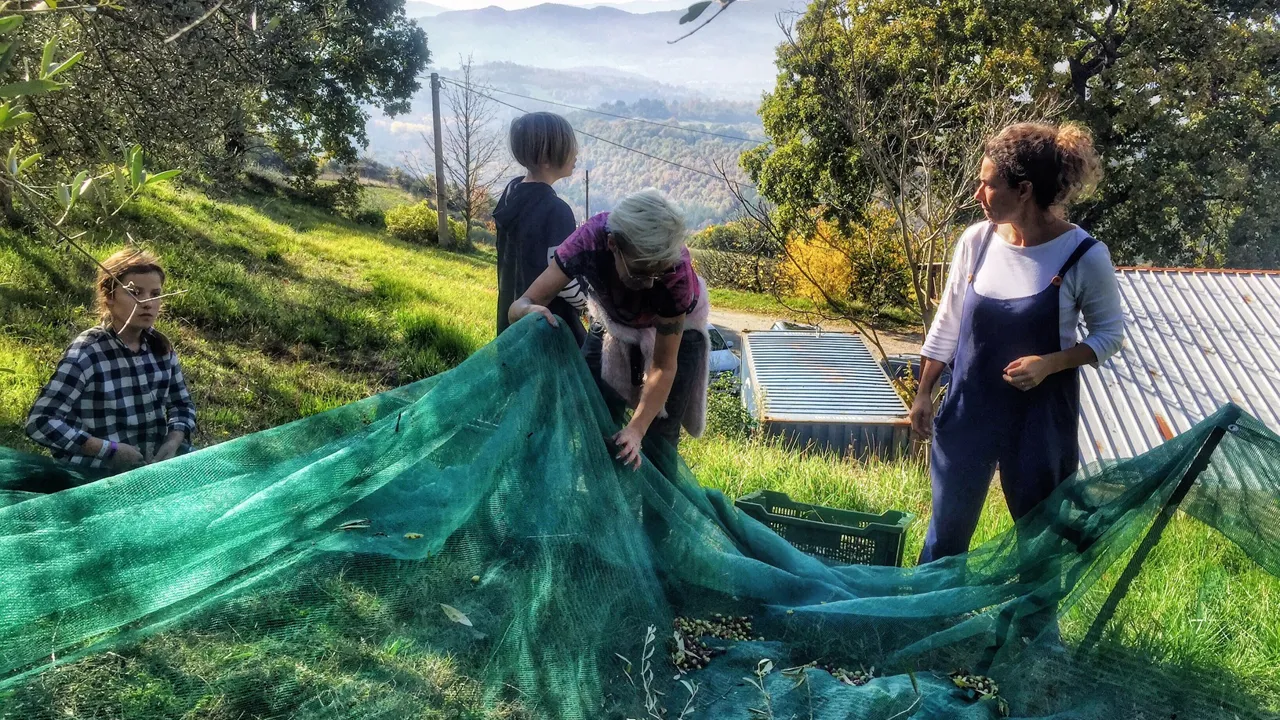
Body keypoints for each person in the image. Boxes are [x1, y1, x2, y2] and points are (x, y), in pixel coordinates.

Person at [909, 122, 1125, 564]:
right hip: (969, 411)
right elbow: (948, 320)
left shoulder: (1083, 256)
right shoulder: (977, 241)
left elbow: (1110, 336)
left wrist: (1050, 363)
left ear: (1023, 190)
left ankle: (1035, 632)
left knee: (1038, 543)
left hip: (1039, 423)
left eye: (988, 184)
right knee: (945, 537)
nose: (977, 195)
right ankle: (930, 621)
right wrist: (924, 392)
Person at [508, 189, 711, 470]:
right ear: (613, 245)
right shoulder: (588, 242)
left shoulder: (675, 275)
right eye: (641, 273)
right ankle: (602, 504)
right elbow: (521, 304)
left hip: (678, 333)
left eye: (658, 273)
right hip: (612, 322)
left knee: (659, 438)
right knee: (594, 414)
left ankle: (654, 513)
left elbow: (663, 366)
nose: (650, 285)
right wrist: (528, 312)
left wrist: (637, 429)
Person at [26, 248, 196, 474]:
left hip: (153, 467)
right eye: (134, 292)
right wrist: (108, 449)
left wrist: (173, 440)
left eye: (155, 294)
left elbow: (182, 405)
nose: (146, 303)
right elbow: (41, 421)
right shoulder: (88, 352)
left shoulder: (160, 348)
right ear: (109, 297)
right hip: (96, 474)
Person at [494, 111, 587, 346]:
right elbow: (563, 277)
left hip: (512, 320)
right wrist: (589, 305)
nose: (576, 152)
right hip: (550, 326)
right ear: (547, 159)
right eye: (569, 146)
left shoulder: (510, 194)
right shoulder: (556, 210)